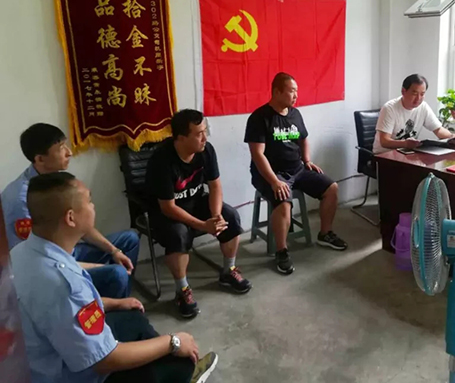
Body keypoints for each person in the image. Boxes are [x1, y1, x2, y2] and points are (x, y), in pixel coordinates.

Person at [10, 172, 218, 383]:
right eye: (89, 201)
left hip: (44, 357)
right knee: (180, 363)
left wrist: (115, 303)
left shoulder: (23, 252)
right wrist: (173, 342)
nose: (93, 207)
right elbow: (104, 360)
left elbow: (65, 312)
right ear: (71, 218)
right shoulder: (63, 283)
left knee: (132, 317)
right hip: (67, 375)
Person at [1, 123, 139, 299]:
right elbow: (36, 260)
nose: (69, 152)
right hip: (50, 267)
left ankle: (117, 298)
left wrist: (114, 251)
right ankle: (104, 305)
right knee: (116, 273)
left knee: (129, 240)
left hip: (67, 252)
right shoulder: (22, 199)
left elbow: (81, 225)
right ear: (40, 159)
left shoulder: (57, 180)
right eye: (60, 148)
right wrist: (99, 267)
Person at [146, 109, 251, 319]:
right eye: (199, 134)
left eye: (205, 131)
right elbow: (168, 207)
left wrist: (216, 216)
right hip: (166, 212)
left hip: (196, 202)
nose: (205, 138)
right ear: (181, 138)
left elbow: (215, 186)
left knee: (230, 217)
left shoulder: (206, 150)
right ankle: (182, 290)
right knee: (178, 234)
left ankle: (228, 271)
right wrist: (203, 226)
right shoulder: (161, 159)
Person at [244, 72, 347, 276]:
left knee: (331, 188)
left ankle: (325, 233)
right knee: (284, 202)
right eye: (291, 91)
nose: (295, 96)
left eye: (296, 91)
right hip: (271, 173)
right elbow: (257, 154)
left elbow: (303, 139)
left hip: (297, 169)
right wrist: (274, 181)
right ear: (276, 92)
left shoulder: (295, 114)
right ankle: (281, 251)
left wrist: (307, 161)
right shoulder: (259, 117)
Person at [374, 74, 455, 153]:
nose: (418, 98)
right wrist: (405, 144)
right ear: (403, 91)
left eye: (422, 94)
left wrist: (452, 137)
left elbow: (438, 129)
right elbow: (384, 142)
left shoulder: (423, 107)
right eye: (414, 93)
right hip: (384, 156)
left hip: (407, 153)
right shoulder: (390, 108)